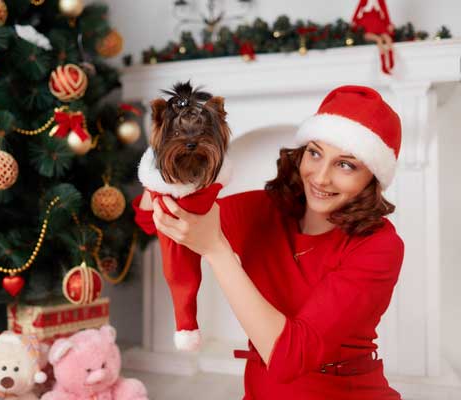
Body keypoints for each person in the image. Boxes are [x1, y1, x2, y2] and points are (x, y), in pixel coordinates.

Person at [132, 85, 404, 399]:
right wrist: (167, 152)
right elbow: (154, 221)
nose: (320, 177)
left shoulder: (379, 247)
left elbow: (290, 357)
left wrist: (216, 250)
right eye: (314, 153)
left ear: (373, 177)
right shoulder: (266, 211)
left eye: (346, 164)